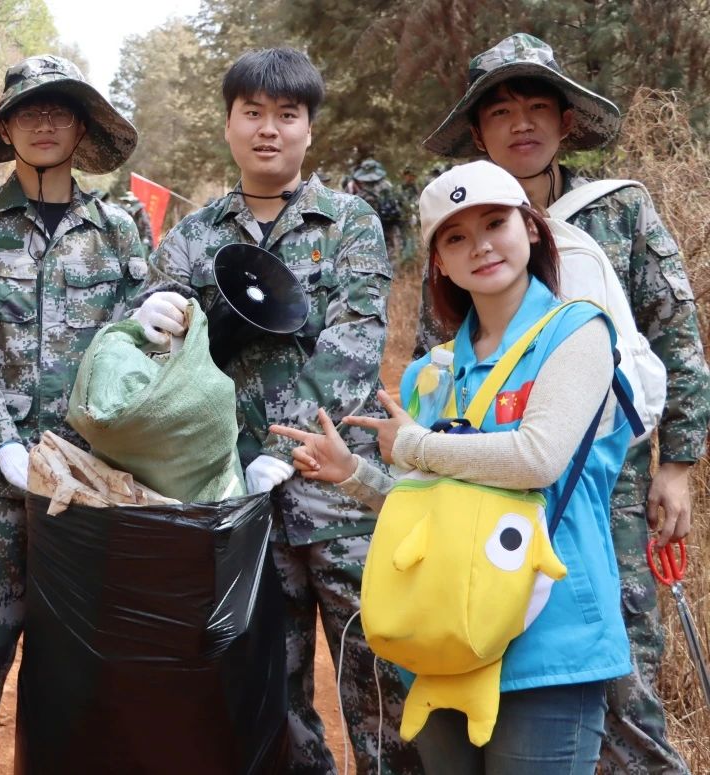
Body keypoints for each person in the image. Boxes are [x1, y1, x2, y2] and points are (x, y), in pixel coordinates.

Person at [276, 160, 636, 773]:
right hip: (442, 641)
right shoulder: (431, 372)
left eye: (496, 223)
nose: (481, 246)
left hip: (547, 640)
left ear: (532, 230)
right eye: (456, 236)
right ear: (438, 260)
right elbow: (432, 509)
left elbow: (537, 457)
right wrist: (354, 475)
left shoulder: (577, 333)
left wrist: (413, 445)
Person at [416, 33, 710, 773]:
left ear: (567, 120)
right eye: (502, 111)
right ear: (477, 133)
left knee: (623, 671)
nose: (522, 123)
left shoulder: (620, 212)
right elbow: (442, 366)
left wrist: (677, 467)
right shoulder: (459, 234)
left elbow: (676, 339)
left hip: (603, 489)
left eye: (539, 105)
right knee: (500, 662)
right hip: (489, 493)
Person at [131, 48, 420, 773]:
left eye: (286, 115)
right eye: (252, 113)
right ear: (228, 124)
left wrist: (279, 445)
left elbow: (355, 342)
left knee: (381, 681)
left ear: (308, 130)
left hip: (338, 495)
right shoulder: (194, 237)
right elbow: (159, 359)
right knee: (271, 690)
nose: (269, 130)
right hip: (236, 502)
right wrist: (146, 320)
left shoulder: (350, 222)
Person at [0, 54, 146, 772]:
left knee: (88, 649)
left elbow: (140, 346)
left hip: (95, 479)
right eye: (29, 110)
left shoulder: (119, 228)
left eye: (60, 109)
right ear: (7, 126)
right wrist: (2, 443)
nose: (45, 122)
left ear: (81, 126)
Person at [350, 157, 406, 263]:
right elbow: (398, 201)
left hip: (373, 226)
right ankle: (392, 272)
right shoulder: (388, 185)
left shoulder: (363, 192)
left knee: (375, 250)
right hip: (390, 221)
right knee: (390, 249)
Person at [118, 190, 155, 256]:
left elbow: (148, 231)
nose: (126, 204)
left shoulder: (142, 216)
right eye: (125, 202)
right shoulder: (126, 214)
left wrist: (152, 247)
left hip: (141, 243)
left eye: (128, 202)